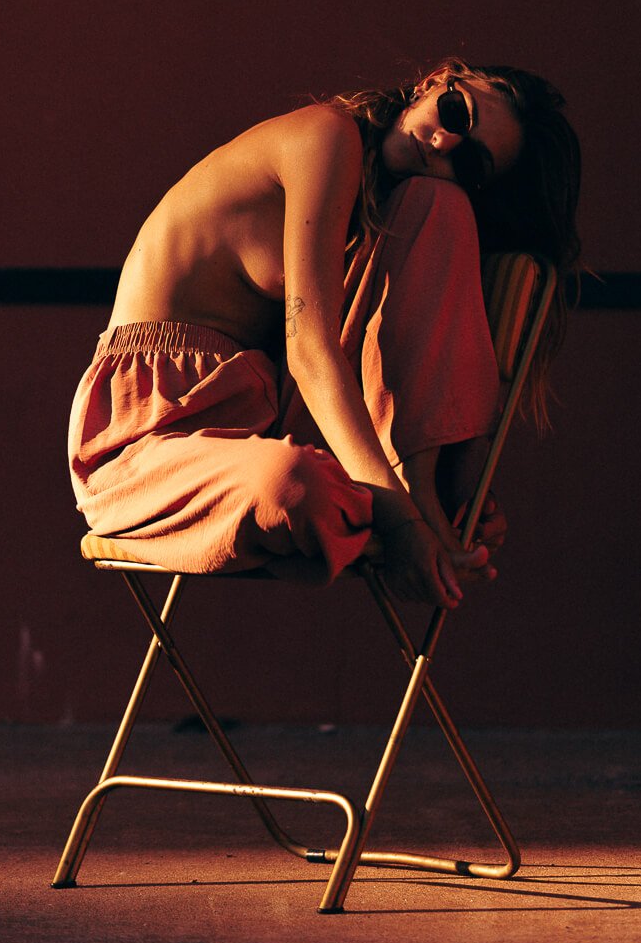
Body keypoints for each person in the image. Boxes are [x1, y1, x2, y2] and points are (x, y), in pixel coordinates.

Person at [68, 58, 581, 608]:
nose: (444, 143)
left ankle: (429, 496)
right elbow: (310, 353)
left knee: (443, 208)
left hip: (264, 414)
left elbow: (406, 350)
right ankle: (401, 505)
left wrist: (463, 491)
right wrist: (404, 525)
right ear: (435, 81)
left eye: (473, 163)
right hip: (151, 436)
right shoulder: (327, 135)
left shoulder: (402, 206)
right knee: (294, 487)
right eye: (456, 113)